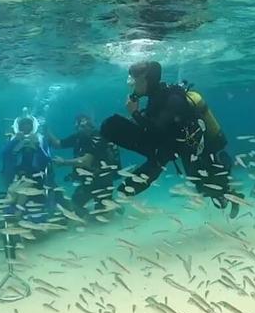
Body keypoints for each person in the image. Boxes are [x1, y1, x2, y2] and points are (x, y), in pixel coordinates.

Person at [99, 60, 242, 218]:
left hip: (191, 145)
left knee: (204, 186)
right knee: (110, 126)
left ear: (147, 80)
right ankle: (124, 192)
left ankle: (229, 190)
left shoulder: (173, 98)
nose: (131, 84)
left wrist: (135, 113)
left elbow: (158, 129)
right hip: (170, 145)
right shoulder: (156, 96)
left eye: (135, 80)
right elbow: (155, 124)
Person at [47, 114, 120, 217]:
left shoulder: (98, 137)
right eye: (78, 126)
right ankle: (90, 216)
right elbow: (57, 144)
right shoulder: (78, 137)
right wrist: (47, 130)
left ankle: (114, 206)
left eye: (84, 125)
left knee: (102, 215)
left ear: (91, 125)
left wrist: (64, 162)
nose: (80, 128)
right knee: (75, 203)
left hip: (103, 179)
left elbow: (86, 161)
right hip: (87, 179)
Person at [0, 112, 56, 221]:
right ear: (18, 126)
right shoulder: (12, 139)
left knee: (23, 187)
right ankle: (13, 214)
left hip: (38, 176)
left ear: (33, 126)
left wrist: (37, 146)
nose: (25, 127)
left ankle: (19, 213)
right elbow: (3, 155)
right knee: (15, 189)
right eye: (23, 125)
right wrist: (15, 141)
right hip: (16, 176)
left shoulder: (40, 139)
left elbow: (47, 159)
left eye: (28, 125)